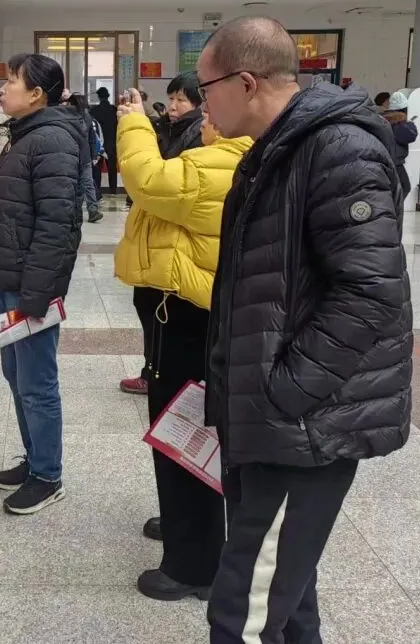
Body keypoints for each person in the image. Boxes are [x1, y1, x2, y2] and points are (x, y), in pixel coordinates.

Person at [198, 16, 412, 643]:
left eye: (207, 88)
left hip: (304, 426)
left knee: (245, 608)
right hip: (272, 420)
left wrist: (286, 389)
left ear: (245, 83)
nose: (202, 102)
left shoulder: (338, 149)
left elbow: (371, 291)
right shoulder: (276, 150)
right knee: (287, 595)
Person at [115, 85, 251, 602]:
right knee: (180, 428)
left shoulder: (224, 162)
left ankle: (194, 564)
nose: (203, 119)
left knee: (185, 428)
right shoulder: (219, 157)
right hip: (182, 315)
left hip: (189, 319)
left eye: (210, 110)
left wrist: (133, 121)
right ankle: (185, 526)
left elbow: (147, 180)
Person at [0, 53, 82, 515]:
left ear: (36, 94)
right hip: (11, 277)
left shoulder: (52, 140)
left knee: (36, 382)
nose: (3, 88)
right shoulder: (23, 134)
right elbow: (4, 201)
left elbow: (58, 226)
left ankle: (48, 475)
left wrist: (37, 295)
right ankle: (34, 459)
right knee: (16, 375)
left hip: (30, 285)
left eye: (12, 81)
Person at [120, 71, 209, 397]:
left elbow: (158, 180)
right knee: (148, 305)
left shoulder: (200, 135)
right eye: (171, 98)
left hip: (174, 242)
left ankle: (160, 376)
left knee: (164, 315)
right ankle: (154, 370)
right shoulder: (170, 128)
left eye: (180, 100)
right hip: (156, 238)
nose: (172, 106)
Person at [65, 91, 104, 222]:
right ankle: (92, 210)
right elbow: (92, 138)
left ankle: (80, 212)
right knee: (87, 184)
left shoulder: (69, 119)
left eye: (69, 103)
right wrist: (94, 155)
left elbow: (91, 138)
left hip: (73, 156)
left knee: (78, 185)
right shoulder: (88, 118)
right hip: (84, 156)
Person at [383, 90, 419, 198]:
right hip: (395, 162)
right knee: (404, 187)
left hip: (385, 160)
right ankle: (394, 208)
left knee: (392, 189)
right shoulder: (399, 122)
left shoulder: (384, 120)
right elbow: (410, 136)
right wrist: (410, 124)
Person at [91, 87, 119, 193]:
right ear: (108, 96)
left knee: (97, 168)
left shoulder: (93, 111)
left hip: (98, 143)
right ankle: (113, 190)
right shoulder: (114, 110)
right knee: (112, 168)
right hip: (112, 143)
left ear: (99, 97)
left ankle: (97, 191)